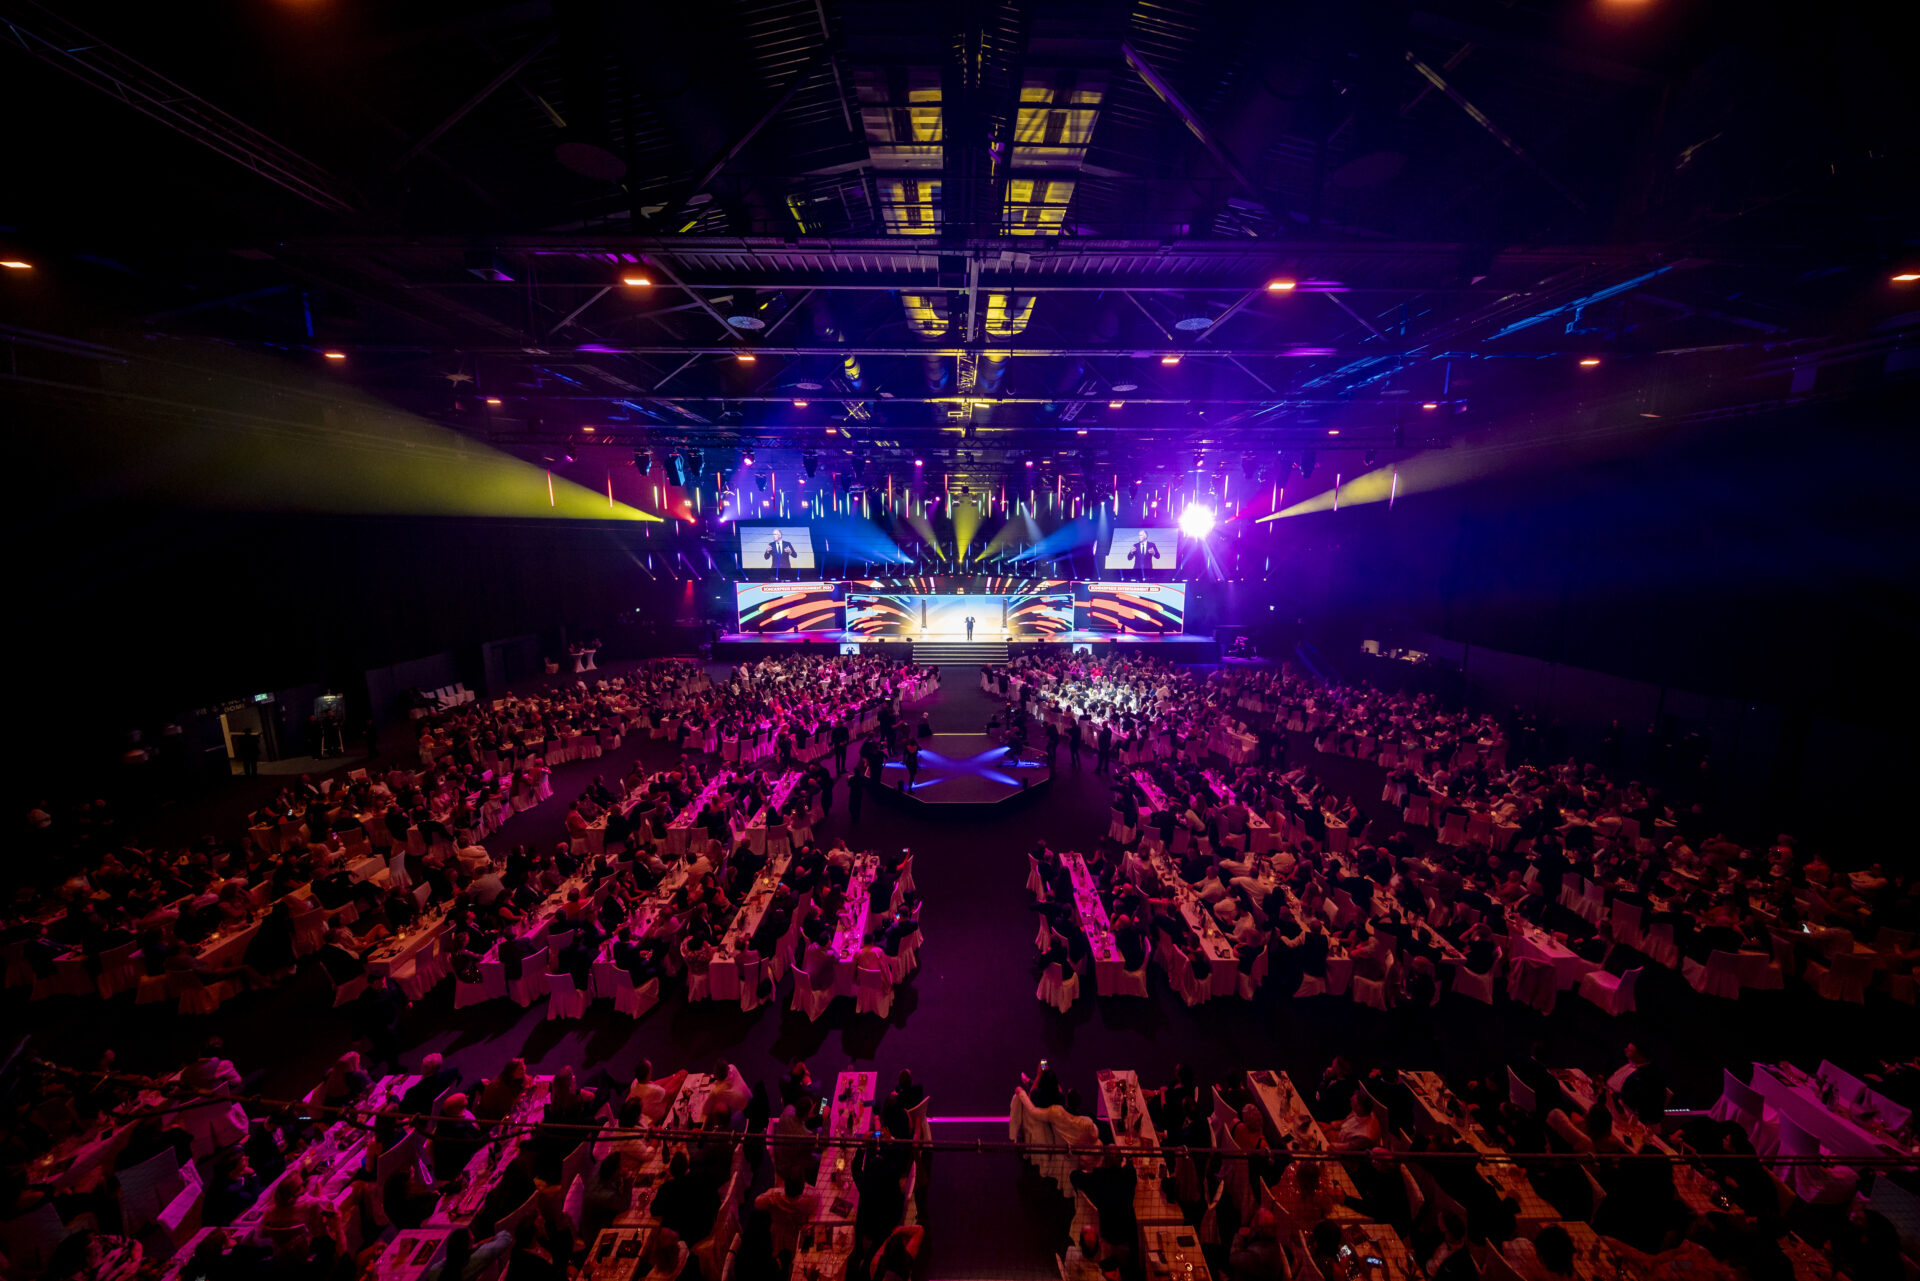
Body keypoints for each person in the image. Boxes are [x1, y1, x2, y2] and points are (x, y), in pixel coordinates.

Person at [1070, 1147, 1138, 1272]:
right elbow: (1131, 1169)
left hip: (1109, 1230)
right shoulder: (1128, 1176)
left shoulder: (1098, 1180)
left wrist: (1088, 1171)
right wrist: (1128, 1161)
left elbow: (1074, 1176)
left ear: (1104, 1161)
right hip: (1129, 1229)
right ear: (1120, 1162)